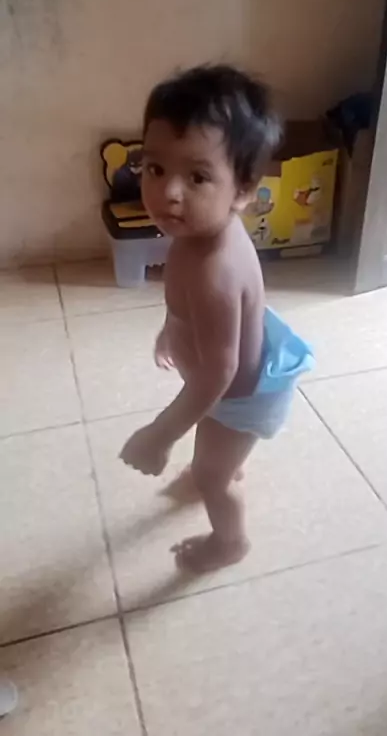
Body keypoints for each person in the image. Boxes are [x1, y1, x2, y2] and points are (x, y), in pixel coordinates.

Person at [120, 65, 313, 573]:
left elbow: (217, 376)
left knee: (212, 477)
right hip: (223, 383)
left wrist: (161, 433)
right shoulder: (197, 231)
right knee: (215, 447)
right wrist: (173, 328)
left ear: (243, 190)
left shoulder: (215, 273)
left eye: (198, 176)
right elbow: (187, 306)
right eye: (155, 168)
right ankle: (227, 460)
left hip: (238, 398)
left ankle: (230, 541)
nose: (168, 192)